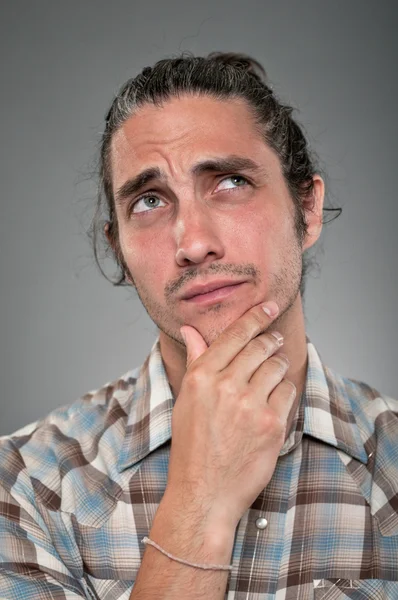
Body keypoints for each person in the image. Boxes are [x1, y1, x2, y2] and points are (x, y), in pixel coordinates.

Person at [0, 52, 397, 600]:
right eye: (149, 201)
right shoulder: (24, 486)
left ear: (306, 209)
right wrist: (199, 501)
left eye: (230, 181)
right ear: (120, 250)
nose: (192, 243)